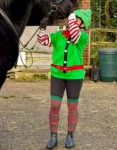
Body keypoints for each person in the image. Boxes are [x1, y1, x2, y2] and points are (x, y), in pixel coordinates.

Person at [37, 9, 92, 149]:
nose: (73, 20)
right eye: (73, 18)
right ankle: (53, 137)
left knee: (72, 107)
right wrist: (42, 29)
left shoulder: (82, 37)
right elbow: (43, 41)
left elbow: (74, 34)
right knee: (55, 105)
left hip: (75, 76)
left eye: (78, 19)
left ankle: (69, 136)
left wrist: (72, 15)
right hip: (57, 75)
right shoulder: (59, 34)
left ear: (83, 24)